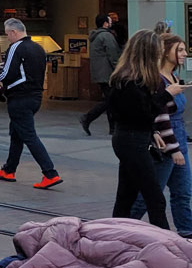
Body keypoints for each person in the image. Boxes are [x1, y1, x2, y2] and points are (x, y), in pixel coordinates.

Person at [109, 28, 181, 229]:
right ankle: (166, 245)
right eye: (158, 51)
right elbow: (142, 113)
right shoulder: (129, 81)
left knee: (126, 195)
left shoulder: (132, 78)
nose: (160, 55)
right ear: (149, 53)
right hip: (131, 141)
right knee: (154, 198)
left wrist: (153, 132)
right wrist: (167, 94)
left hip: (133, 138)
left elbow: (140, 115)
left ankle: (113, 234)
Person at [0, 18, 62, 189]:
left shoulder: (17, 47)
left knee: (28, 136)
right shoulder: (38, 48)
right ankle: (9, 169)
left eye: (7, 35)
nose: (8, 38)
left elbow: (6, 75)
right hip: (35, 96)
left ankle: (50, 173)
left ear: (14, 32)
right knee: (17, 134)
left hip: (20, 98)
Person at [131, 33, 192, 237]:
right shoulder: (158, 80)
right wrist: (174, 149)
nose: (184, 54)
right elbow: (160, 116)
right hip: (166, 143)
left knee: (183, 192)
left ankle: (187, 233)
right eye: (180, 50)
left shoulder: (174, 77)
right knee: (148, 195)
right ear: (166, 52)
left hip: (179, 137)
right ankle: (121, 225)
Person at [80, 13, 119, 135]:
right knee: (111, 100)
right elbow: (113, 55)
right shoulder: (106, 36)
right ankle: (88, 117)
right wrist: (119, 69)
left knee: (111, 99)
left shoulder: (95, 36)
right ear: (105, 23)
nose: (111, 23)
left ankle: (112, 127)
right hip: (108, 72)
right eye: (109, 21)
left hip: (100, 72)